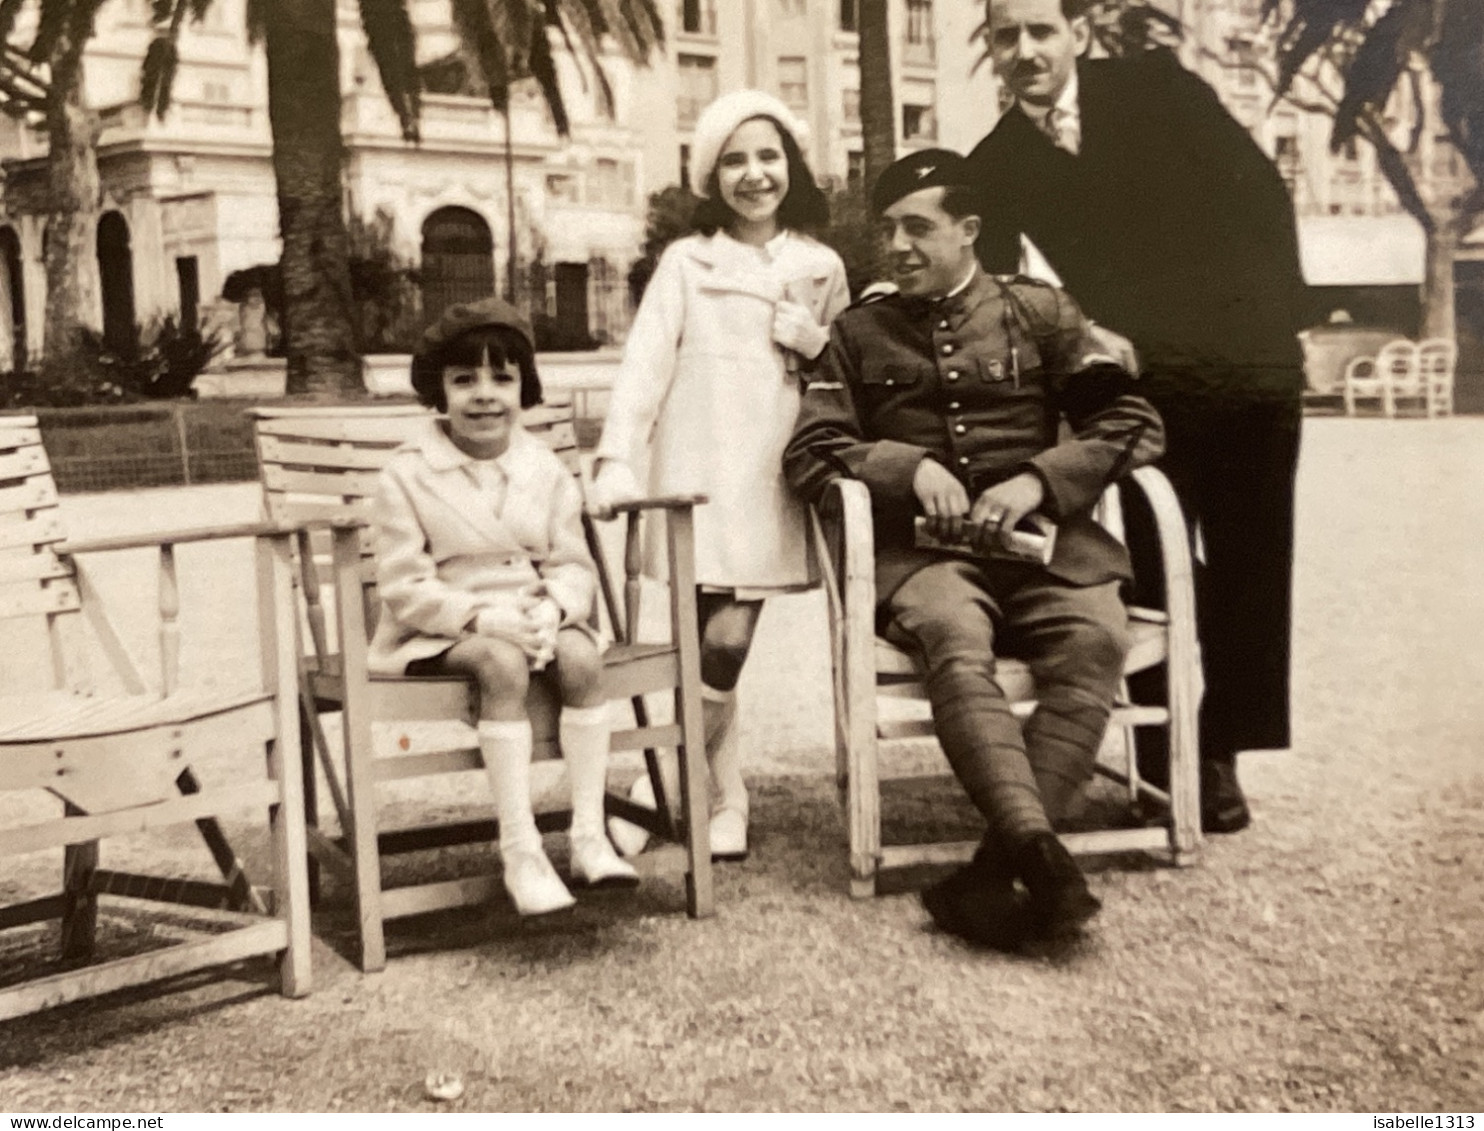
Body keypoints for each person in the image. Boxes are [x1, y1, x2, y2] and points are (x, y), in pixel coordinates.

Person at [782, 149, 1165, 951]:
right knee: (955, 641)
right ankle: (1040, 860)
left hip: (1050, 549)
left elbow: (1133, 424)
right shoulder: (857, 334)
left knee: (1096, 639)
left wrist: (1038, 479)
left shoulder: (1043, 315)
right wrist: (904, 465)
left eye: (918, 228)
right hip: (927, 561)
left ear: (970, 230)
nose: (898, 246)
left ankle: (1003, 865)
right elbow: (811, 451)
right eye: (888, 230)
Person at [964, 0, 1310, 832]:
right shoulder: (998, 159)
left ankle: (1220, 747)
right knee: (1153, 566)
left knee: (1252, 563)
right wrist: (1080, 334)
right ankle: (1168, 750)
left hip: (1249, 360)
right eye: (1006, 36)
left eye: (1040, 31)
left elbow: (1263, 195)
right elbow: (1005, 290)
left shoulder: (1160, 91)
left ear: (1075, 36)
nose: (1025, 51)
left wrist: (1265, 322)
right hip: (1149, 386)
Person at [589, 89, 850, 861]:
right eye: (734, 160)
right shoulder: (687, 260)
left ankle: (661, 783)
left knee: (726, 643)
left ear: (792, 168)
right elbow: (644, 367)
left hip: (770, 480)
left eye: (768, 156)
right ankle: (727, 799)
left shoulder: (820, 264)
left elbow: (850, 382)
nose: (753, 174)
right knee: (700, 644)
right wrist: (615, 458)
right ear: (712, 176)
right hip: (696, 471)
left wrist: (816, 345)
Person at [367, 298, 638, 917]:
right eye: (464, 380)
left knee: (581, 657)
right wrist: (480, 617)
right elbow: (404, 585)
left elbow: (572, 561)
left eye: (502, 378)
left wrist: (557, 607)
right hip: (438, 628)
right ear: (438, 392)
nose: (484, 395)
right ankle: (521, 850)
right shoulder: (406, 475)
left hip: (530, 613)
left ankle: (589, 836)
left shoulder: (543, 467)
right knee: (501, 664)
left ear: (524, 389)